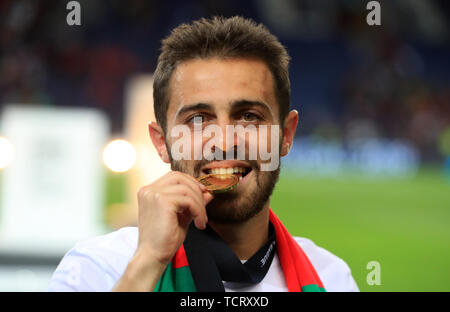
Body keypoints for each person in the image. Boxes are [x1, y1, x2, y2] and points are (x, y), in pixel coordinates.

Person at [48, 16, 358, 292]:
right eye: (197, 119)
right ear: (161, 141)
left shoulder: (331, 279)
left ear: (285, 136)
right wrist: (147, 264)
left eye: (248, 116)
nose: (223, 141)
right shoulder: (94, 269)